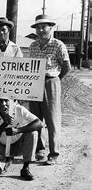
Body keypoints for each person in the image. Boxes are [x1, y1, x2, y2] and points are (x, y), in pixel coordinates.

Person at [28, 14, 71, 165]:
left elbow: (67, 67)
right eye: (38, 27)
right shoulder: (33, 46)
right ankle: (40, 149)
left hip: (51, 81)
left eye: (43, 27)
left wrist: (56, 80)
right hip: (34, 84)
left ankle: (53, 153)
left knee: (52, 120)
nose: (40, 30)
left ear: (50, 28)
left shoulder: (58, 45)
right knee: (35, 118)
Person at [0, 98, 42, 180]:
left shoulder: (20, 110)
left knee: (33, 133)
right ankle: (4, 163)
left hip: (19, 145)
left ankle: (26, 168)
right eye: (0, 101)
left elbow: (39, 123)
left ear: (13, 101)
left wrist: (18, 130)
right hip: (3, 147)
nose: (3, 104)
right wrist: (4, 125)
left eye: (6, 100)